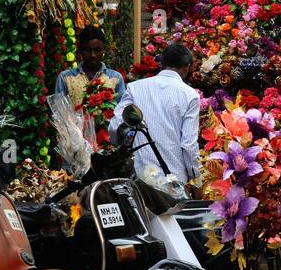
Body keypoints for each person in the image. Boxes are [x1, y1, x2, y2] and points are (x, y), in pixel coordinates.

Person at [109, 44, 201, 191]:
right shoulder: (190, 96)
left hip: (140, 177)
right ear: (187, 67)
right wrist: (194, 175)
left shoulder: (135, 88)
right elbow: (189, 144)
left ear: (161, 64)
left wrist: (118, 146)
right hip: (174, 180)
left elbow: (115, 126)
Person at [55, 26, 126, 103]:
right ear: (80, 50)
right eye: (88, 50)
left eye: (97, 50)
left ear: (103, 50)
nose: (93, 55)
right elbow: (59, 111)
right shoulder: (65, 78)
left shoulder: (115, 78)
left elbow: (122, 110)